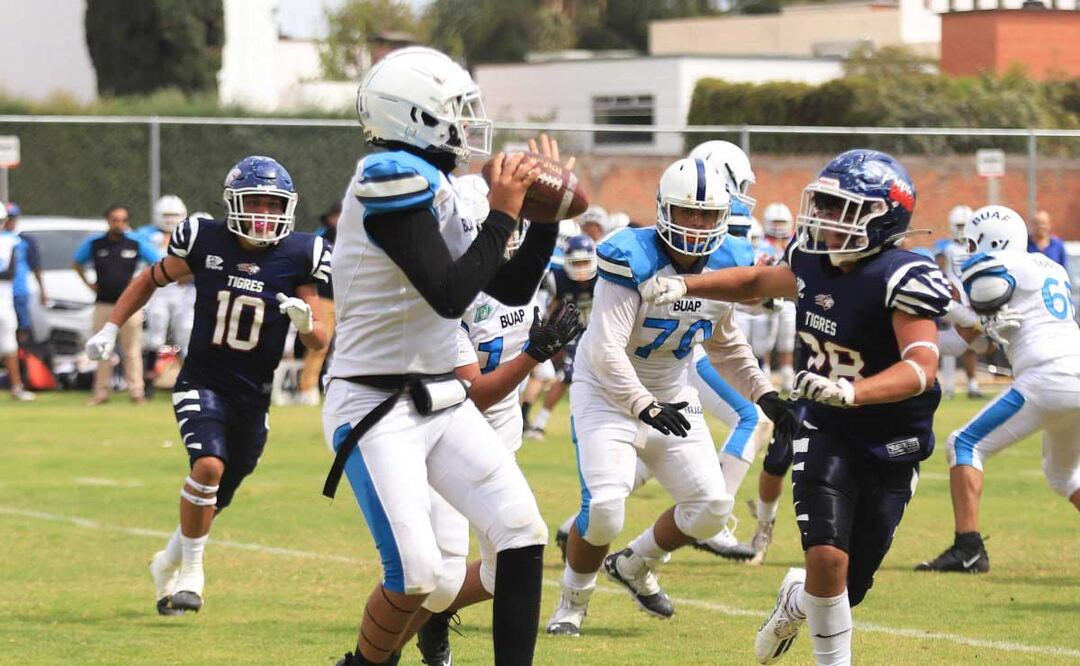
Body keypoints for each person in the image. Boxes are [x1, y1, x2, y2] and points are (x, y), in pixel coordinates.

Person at [641, 149, 952, 665]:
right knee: (826, 559)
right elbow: (755, 282)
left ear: (882, 215)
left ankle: (794, 600)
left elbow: (921, 367)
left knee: (847, 588)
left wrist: (854, 392)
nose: (824, 218)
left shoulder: (902, 276)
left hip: (892, 439)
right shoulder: (811, 259)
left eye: (840, 208)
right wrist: (685, 285)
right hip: (826, 427)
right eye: (823, 204)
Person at [322, 46, 556, 666]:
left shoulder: (439, 186)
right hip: (374, 402)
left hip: (439, 396)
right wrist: (504, 212)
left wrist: (545, 219)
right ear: (413, 116)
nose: (466, 123)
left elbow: (508, 287)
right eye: (455, 110)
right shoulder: (386, 175)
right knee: (418, 573)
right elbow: (450, 295)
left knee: (521, 531)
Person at [546, 157, 794, 637]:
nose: (697, 224)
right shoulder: (630, 255)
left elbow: (724, 341)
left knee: (712, 509)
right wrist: (644, 405)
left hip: (672, 395)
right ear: (664, 209)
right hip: (607, 395)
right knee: (604, 511)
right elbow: (604, 350)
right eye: (687, 212)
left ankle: (636, 562)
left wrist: (764, 394)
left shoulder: (729, 258)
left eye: (707, 215)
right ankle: (572, 603)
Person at [84, 156, 330, 616]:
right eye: (254, 202)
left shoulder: (301, 253)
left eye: (272, 204)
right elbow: (150, 279)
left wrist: (306, 324)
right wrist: (111, 327)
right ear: (234, 202)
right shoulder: (204, 238)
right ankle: (192, 574)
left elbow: (320, 339)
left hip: (253, 394)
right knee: (209, 466)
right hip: (202, 380)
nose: (263, 213)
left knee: (219, 492)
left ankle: (166, 562)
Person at [406, 164, 584, 666]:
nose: (507, 236)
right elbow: (473, 397)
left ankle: (434, 619)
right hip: (443, 435)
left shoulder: (526, 278)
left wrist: (552, 204)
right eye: (494, 225)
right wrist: (534, 354)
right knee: (440, 577)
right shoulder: (446, 297)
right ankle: (381, 647)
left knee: (506, 563)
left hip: (501, 434)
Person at [917, 205, 1080, 574]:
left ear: (992, 240)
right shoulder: (1047, 267)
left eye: (974, 243)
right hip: (1073, 372)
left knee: (963, 444)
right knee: (1064, 476)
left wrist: (950, 306)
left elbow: (969, 311)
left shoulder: (1000, 263)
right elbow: (976, 344)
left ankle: (968, 549)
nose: (970, 251)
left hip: (1046, 376)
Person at [74, 204, 161, 404]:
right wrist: (89, 284)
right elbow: (76, 262)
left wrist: (139, 283)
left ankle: (136, 392)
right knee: (101, 349)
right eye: (115, 220)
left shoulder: (135, 243)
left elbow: (156, 262)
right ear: (108, 221)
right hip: (103, 304)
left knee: (132, 350)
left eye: (123, 220)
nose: (119, 224)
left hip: (131, 305)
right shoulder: (96, 244)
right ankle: (101, 392)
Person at [523, 233, 597, 439]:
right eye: (577, 263)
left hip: (595, 331)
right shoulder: (557, 279)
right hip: (565, 332)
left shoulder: (602, 277)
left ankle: (532, 421)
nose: (582, 269)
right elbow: (547, 309)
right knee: (563, 374)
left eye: (585, 262)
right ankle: (534, 422)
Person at [135, 195, 197, 395]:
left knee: (186, 334)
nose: (170, 220)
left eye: (174, 215)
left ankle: (190, 381)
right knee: (155, 337)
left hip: (182, 292)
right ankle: (149, 382)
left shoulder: (189, 233)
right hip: (158, 292)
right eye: (166, 215)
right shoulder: (146, 235)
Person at [937, 204, 983, 399]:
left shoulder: (977, 247)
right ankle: (949, 387)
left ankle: (972, 384)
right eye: (959, 225)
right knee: (953, 342)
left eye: (965, 225)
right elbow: (939, 271)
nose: (962, 229)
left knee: (971, 343)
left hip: (972, 300)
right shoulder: (945, 248)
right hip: (953, 302)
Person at [296, 202, 340, 405]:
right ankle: (307, 388)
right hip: (324, 298)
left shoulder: (353, 236)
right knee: (320, 345)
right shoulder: (323, 237)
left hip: (345, 299)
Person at [0, 204, 34, 400]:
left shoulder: (11, 241)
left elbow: (9, 273)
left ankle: (16, 386)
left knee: (10, 346)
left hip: (4, 302)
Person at [5, 203, 47, 344]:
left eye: (11, 218)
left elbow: (36, 266)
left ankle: (21, 353)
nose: (8, 222)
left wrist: (43, 291)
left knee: (21, 327)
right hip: (3, 293)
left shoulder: (24, 240)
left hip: (18, 291)